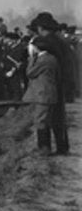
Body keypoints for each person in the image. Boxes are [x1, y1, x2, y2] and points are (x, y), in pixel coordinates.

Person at [28, 12, 73, 155]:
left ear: (41, 28)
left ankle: (45, 147)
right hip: (60, 82)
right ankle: (62, 147)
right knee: (59, 117)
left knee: (48, 117)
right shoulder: (60, 40)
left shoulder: (47, 42)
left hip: (51, 83)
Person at [22, 35, 60, 156]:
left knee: (41, 121)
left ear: (36, 47)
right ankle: (44, 148)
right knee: (45, 121)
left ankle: (44, 149)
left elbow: (30, 73)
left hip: (43, 95)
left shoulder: (42, 60)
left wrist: (31, 58)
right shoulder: (52, 58)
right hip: (49, 93)